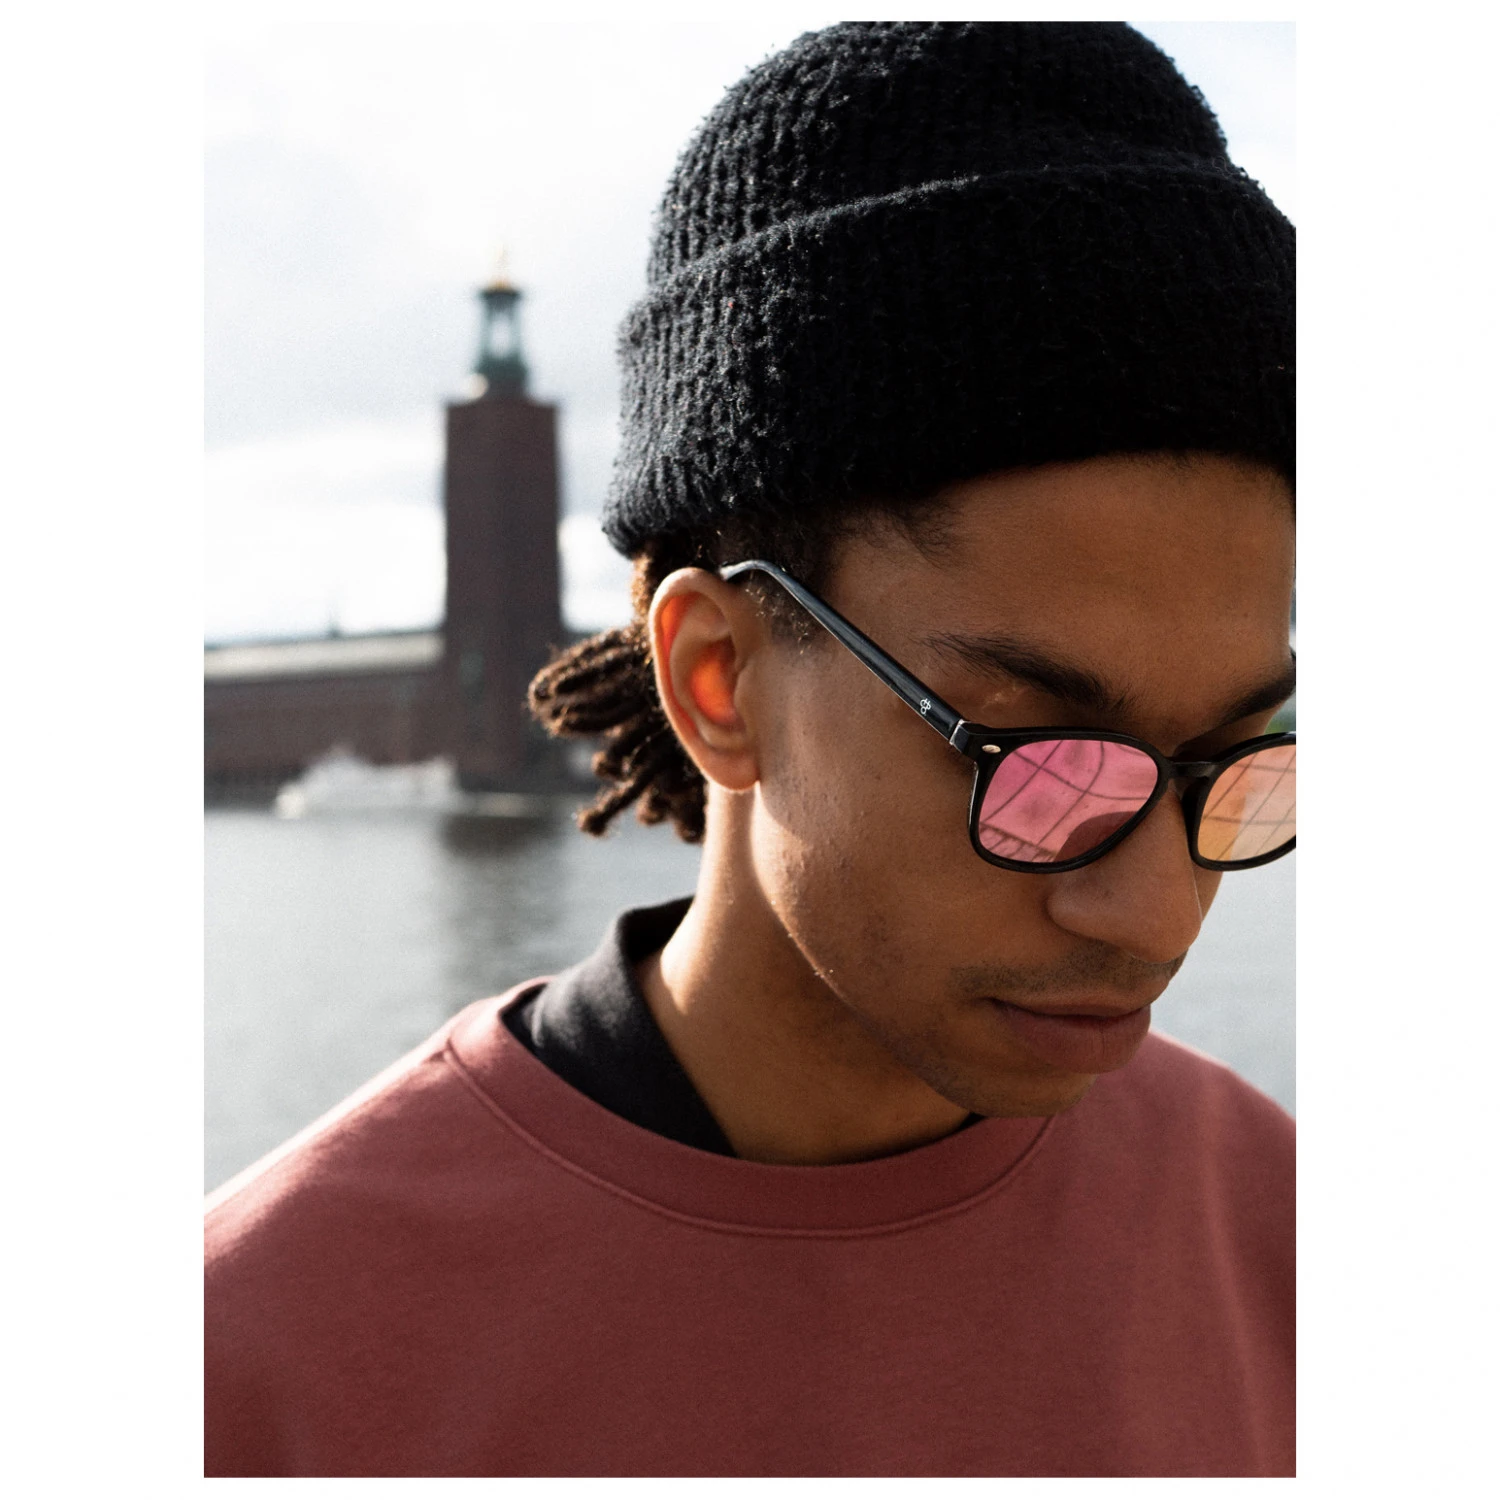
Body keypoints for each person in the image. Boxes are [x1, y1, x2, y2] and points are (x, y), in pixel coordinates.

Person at [205, 22, 1295, 1477]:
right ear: (718, 679)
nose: (1155, 916)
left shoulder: (1299, 1242)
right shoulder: (242, 1372)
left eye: (1235, 759)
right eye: (1037, 756)